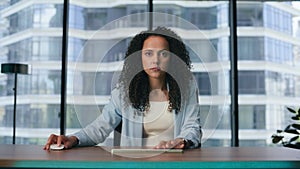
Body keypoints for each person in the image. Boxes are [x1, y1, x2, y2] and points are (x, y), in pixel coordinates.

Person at [44, 26, 202, 150]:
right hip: (135, 164)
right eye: (148, 54)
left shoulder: (187, 87)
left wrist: (182, 141)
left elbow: (192, 126)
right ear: (138, 58)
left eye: (163, 54)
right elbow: (101, 127)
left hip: (176, 163)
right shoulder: (123, 92)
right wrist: (72, 139)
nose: (156, 60)